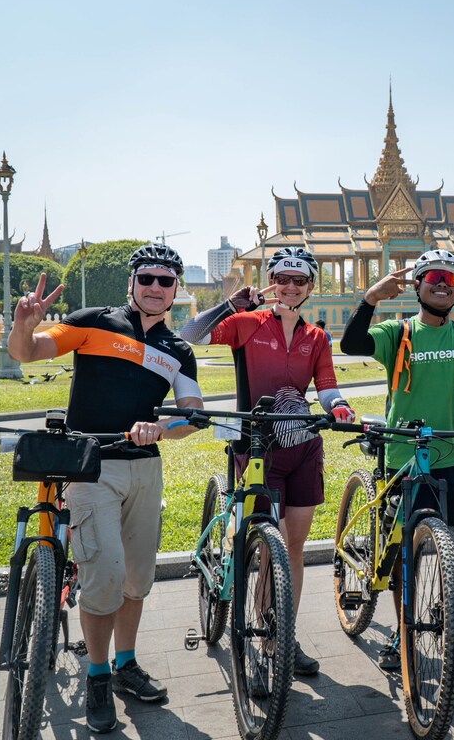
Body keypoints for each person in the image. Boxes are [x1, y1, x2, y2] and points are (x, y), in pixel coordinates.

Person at [9, 243, 204, 733]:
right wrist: (23, 324)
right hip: (91, 468)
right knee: (104, 578)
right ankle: (98, 676)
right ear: (132, 282)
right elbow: (27, 352)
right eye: (148, 279)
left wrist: (162, 429)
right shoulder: (94, 321)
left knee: (137, 579)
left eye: (166, 281)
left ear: (176, 289)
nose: (156, 288)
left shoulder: (178, 351)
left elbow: (191, 413)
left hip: (144, 467)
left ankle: (126, 664)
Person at [180, 246, 354, 677]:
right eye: (283, 278)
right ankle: (257, 636)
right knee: (262, 545)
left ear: (311, 287)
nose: (290, 287)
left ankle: (281, 635)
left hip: (303, 447)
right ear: (271, 281)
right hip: (258, 448)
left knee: (291, 548)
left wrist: (340, 408)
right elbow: (190, 333)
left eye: (300, 280)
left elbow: (328, 386)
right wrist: (229, 303)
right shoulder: (245, 324)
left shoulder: (317, 337)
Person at [340, 249, 454, 670]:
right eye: (433, 276)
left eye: (450, 280)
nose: (441, 284)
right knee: (406, 552)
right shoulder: (398, 333)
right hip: (405, 455)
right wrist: (370, 299)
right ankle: (404, 628)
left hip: (453, 454)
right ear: (417, 285)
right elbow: (350, 344)